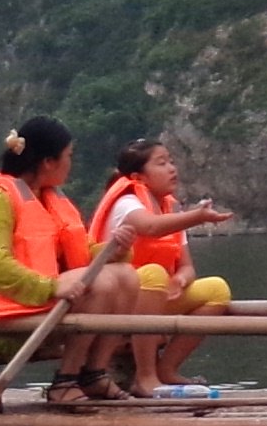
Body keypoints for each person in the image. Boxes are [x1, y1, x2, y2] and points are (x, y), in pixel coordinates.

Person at [0, 116, 142, 404]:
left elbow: (81, 256)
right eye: (68, 156)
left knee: (125, 274)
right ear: (49, 162)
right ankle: (65, 382)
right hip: (3, 314)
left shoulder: (49, 198)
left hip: (44, 304)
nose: (70, 163)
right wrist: (50, 288)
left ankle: (94, 373)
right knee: (99, 282)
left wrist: (115, 248)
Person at [93, 138, 237, 397]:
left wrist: (180, 280)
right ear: (139, 177)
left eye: (171, 161)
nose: (172, 168)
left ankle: (166, 370)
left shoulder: (168, 208)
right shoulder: (126, 202)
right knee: (153, 273)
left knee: (217, 289)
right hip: (117, 305)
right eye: (162, 163)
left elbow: (187, 267)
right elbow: (149, 227)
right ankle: (144, 377)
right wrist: (198, 216)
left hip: (154, 298)